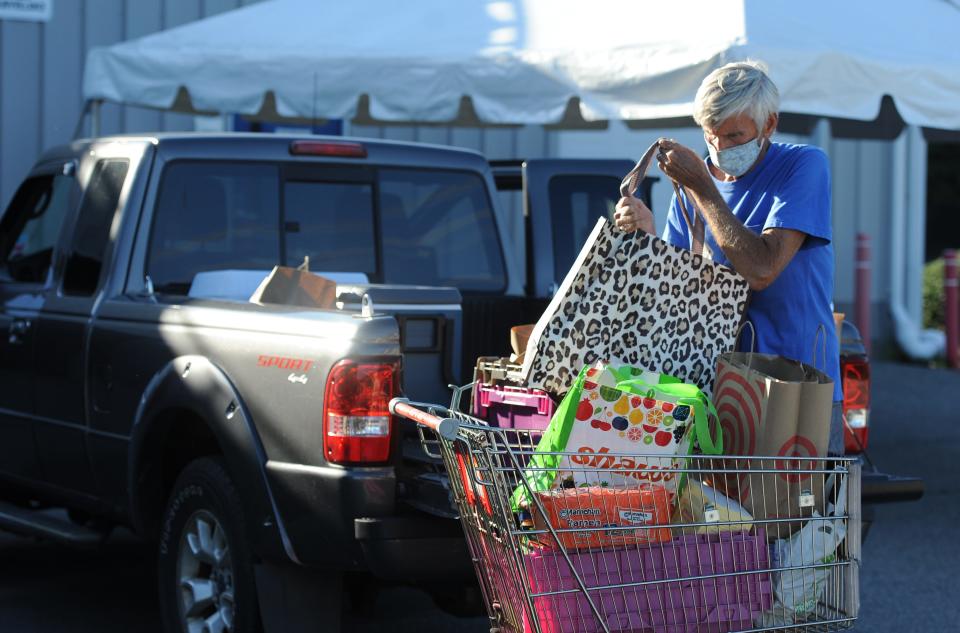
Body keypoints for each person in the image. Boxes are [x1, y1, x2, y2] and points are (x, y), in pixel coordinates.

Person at [614, 60, 844, 455]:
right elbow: (678, 288)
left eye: (735, 136)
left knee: (792, 515)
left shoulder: (803, 166)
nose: (720, 148)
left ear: (769, 125)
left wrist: (703, 189)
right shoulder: (693, 183)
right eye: (710, 135)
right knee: (718, 516)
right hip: (715, 389)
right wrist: (646, 232)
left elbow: (762, 268)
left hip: (796, 387)